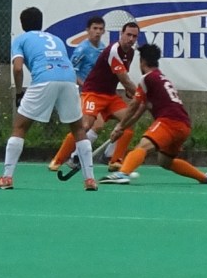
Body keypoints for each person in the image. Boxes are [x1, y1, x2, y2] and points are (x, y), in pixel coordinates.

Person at [0, 7, 98, 191]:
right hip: (69, 79)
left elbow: (17, 68)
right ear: (40, 23)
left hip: (44, 79)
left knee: (20, 127)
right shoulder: (56, 39)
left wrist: (19, 92)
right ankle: (90, 180)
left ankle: (7, 177)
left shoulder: (21, 39)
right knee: (78, 129)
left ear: (22, 24)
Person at [99, 43, 207, 186]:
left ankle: (123, 174)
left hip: (169, 121)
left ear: (142, 61)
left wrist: (119, 126)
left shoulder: (147, 78)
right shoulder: (160, 78)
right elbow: (139, 111)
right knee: (165, 161)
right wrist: (122, 128)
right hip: (184, 126)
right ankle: (205, 178)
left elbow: (134, 106)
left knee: (142, 147)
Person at [48, 21, 140, 174]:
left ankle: (115, 161)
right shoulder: (113, 50)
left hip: (110, 95)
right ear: (121, 34)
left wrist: (130, 91)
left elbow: (122, 76)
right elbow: (125, 79)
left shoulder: (129, 52)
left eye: (134, 36)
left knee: (129, 122)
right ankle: (58, 160)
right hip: (93, 93)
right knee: (85, 126)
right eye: (128, 35)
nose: (131, 39)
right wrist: (140, 96)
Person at [47, 15, 107, 170]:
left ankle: (74, 157)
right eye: (94, 28)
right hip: (84, 93)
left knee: (94, 126)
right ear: (87, 30)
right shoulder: (82, 49)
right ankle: (60, 159)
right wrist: (85, 85)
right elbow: (71, 71)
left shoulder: (103, 48)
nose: (97, 32)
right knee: (87, 126)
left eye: (100, 29)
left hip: (97, 94)